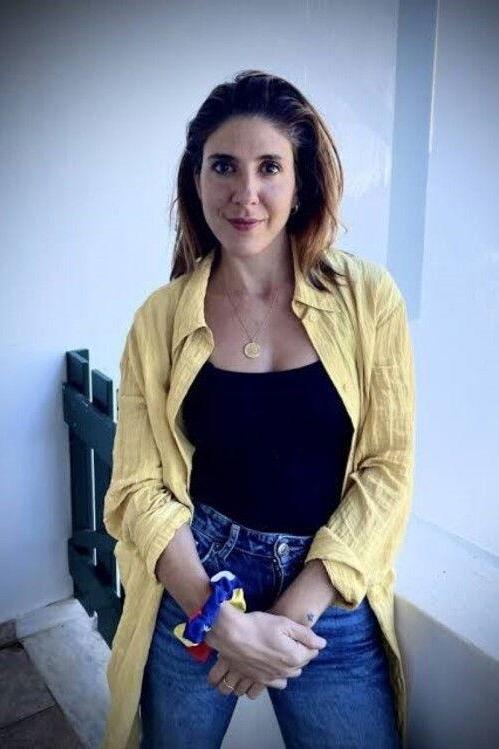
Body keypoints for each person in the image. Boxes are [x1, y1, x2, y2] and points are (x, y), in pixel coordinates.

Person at [102, 70, 415, 749]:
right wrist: (219, 621)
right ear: (196, 179)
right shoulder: (158, 318)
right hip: (196, 575)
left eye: (269, 167)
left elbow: (387, 468)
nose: (245, 193)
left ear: (300, 183)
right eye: (223, 166)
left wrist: (287, 623)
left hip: (327, 588)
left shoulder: (367, 297)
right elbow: (137, 487)